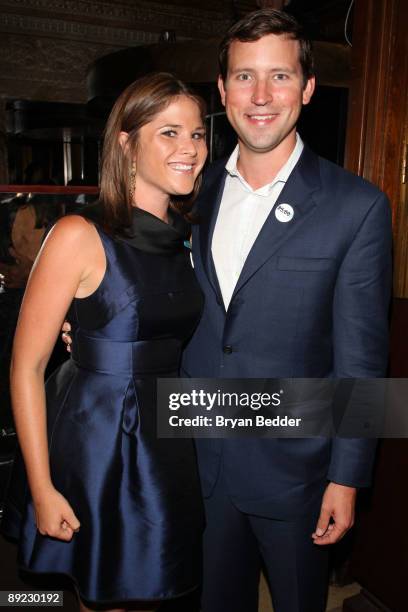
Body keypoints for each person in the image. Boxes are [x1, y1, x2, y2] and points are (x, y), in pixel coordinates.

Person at [179, 9, 392, 612]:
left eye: (280, 76)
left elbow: (362, 358)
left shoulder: (358, 207)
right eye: (244, 77)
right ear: (221, 92)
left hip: (298, 472)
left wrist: (347, 477)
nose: (262, 95)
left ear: (308, 87)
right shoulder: (189, 193)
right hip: (196, 459)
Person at [1, 72, 207, 611]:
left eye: (197, 133)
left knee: (154, 586)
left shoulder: (186, 236)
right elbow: (26, 366)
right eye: (168, 132)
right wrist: (42, 488)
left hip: (166, 434)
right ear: (126, 143)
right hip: (98, 439)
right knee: (107, 591)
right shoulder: (78, 234)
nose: (188, 148)